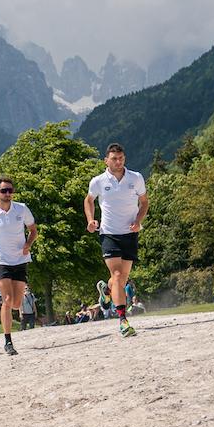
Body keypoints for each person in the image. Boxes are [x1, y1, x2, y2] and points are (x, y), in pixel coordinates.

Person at [85, 143, 148, 337]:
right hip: (109, 233)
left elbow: (144, 202)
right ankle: (122, 320)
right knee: (119, 275)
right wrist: (90, 220)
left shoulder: (135, 178)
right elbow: (88, 200)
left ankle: (106, 292)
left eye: (121, 158)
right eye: (114, 159)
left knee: (121, 279)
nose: (118, 161)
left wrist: (138, 221)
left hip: (130, 233)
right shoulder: (98, 181)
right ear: (106, 161)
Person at [0, 177, 37, 356]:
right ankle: (8, 341)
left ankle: (1, 304)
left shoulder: (22, 209)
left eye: (10, 190)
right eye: (4, 191)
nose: (7, 193)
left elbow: (33, 229)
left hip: (20, 260)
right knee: (9, 299)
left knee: (17, 302)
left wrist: (28, 244)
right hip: (1, 260)